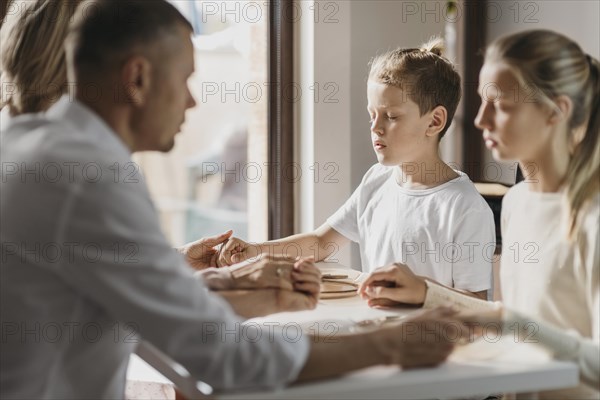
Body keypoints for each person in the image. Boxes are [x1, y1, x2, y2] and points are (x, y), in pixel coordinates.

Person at [0, 1, 464, 398]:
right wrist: (389, 344)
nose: (191, 103)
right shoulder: (89, 177)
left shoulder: (30, 144)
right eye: (184, 79)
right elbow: (223, 355)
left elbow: (105, 300)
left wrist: (193, 278)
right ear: (137, 79)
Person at [0, 0, 321, 319]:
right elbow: (180, 334)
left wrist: (178, 265)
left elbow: (104, 288)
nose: (191, 101)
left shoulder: (26, 149)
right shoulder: (79, 176)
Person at [360, 29, 599, 398]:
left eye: (501, 106)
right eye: (482, 102)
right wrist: (426, 293)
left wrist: (508, 322)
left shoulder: (592, 220)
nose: (481, 120)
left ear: (557, 111)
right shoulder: (518, 203)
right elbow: (512, 331)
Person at [218, 39, 495, 302]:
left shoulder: (464, 207)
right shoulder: (377, 180)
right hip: (378, 334)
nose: (376, 127)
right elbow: (320, 242)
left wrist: (422, 291)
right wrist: (256, 251)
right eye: (372, 115)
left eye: (391, 116)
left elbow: (477, 306)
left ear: (434, 122)